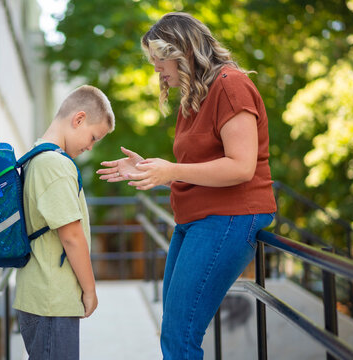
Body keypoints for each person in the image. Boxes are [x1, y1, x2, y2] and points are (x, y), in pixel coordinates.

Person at [97, 12, 277, 359]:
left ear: (181, 51)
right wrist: (150, 168)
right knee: (174, 331)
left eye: (158, 60)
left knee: (180, 336)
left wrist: (170, 172)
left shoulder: (230, 84)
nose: (156, 70)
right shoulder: (196, 96)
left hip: (228, 217)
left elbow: (241, 167)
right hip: (196, 219)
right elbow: (193, 164)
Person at [13, 85, 115, 360]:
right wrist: (90, 290)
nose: (91, 146)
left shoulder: (38, 157)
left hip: (44, 295)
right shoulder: (55, 165)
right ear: (79, 119)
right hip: (51, 299)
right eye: (93, 137)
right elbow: (71, 235)